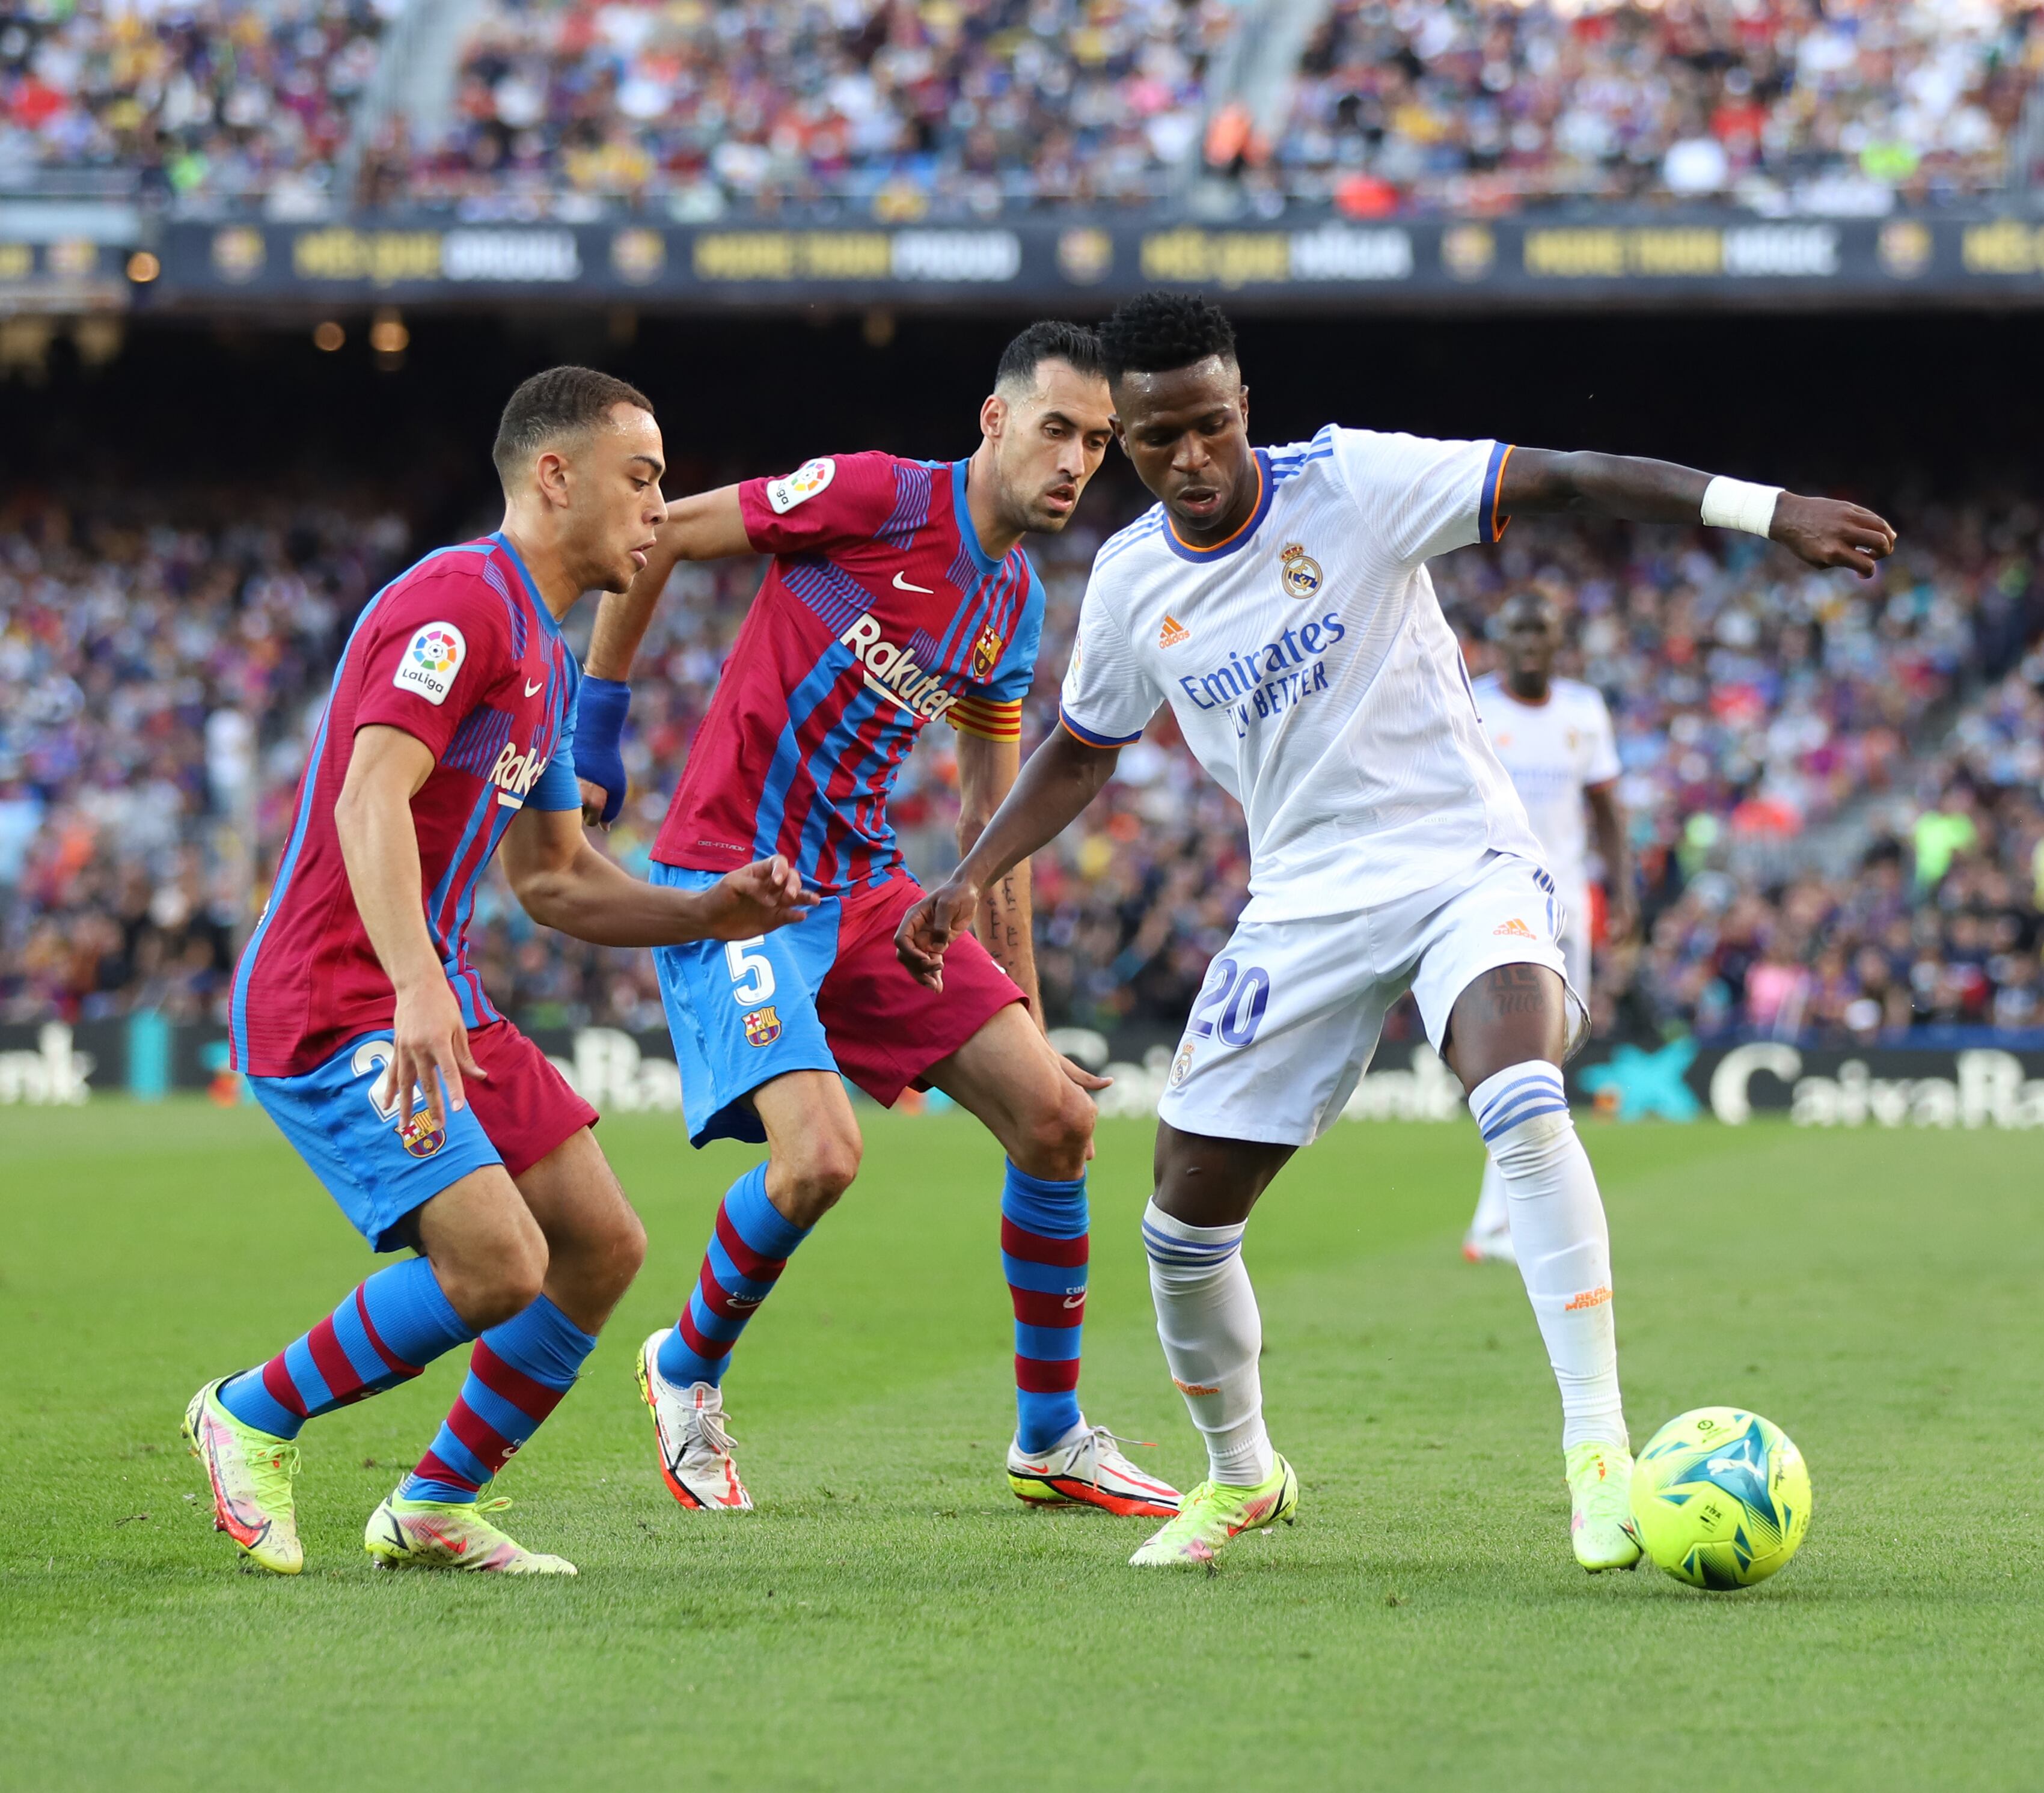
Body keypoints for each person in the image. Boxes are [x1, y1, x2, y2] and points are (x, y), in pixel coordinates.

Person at [898, 290, 1895, 1571]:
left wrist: (1767, 513)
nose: (1190, 460)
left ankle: (1596, 1450)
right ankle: (1241, 1476)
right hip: (1301, 904)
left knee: (1518, 1093)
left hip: (1456, 862)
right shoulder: (1133, 582)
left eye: (1210, 426)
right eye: (1156, 442)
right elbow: (1079, 756)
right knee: (1180, 1226)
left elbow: (1569, 478)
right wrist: (966, 876)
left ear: (1242, 405)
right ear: (1124, 441)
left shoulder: (1355, 484)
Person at [186, 368, 813, 1576]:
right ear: (554, 475)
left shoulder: (549, 659)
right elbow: (373, 795)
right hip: (335, 994)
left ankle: (431, 1504)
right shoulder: (459, 601)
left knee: (600, 1244)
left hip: (434, 989)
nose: (658, 508)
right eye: (641, 478)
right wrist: (416, 986)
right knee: (495, 1263)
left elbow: (557, 881)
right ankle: (247, 1413)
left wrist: (708, 906)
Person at [572, 322, 1179, 1520]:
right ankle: (684, 1368)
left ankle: (1048, 1437)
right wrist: (597, 719)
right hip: (732, 883)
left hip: (861, 892)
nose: (1074, 463)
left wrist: (1029, 1017)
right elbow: (657, 539)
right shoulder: (872, 497)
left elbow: (989, 819)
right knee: (821, 1157)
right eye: (1055, 429)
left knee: (1056, 1123)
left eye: (1097, 444)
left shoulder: (1006, 604)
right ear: (993, 420)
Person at [1461, 591, 1631, 1263]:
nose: (1531, 641)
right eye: (1519, 629)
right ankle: (1496, 1221)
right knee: (1519, 1056)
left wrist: (1625, 895)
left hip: (1566, 907)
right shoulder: (1474, 703)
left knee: (1548, 1059)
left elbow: (1607, 810)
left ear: (1560, 640)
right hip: (1492, 900)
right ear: (1500, 638)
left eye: (1543, 630)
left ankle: (1503, 1218)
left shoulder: (1583, 711)